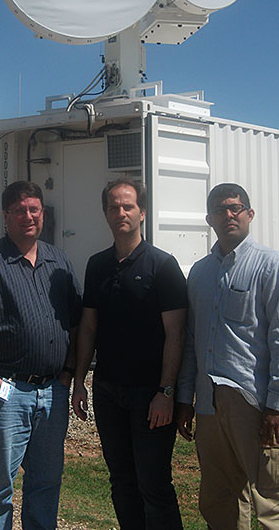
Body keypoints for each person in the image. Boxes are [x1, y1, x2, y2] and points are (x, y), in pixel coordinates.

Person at [0, 180, 82, 530]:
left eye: (34, 210)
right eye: (19, 211)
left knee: (46, 482)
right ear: (5, 216)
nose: (28, 217)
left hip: (53, 392)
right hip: (6, 394)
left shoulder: (59, 261)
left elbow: (75, 323)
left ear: (43, 214)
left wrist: (68, 374)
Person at [176, 182, 279, 529]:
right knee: (219, 498)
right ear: (209, 218)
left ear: (249, 214)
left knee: (272, 498)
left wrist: (278, 403)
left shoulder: (272, 267)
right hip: (210, 406)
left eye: (235, 207)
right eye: (219, 209)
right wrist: (186, 398)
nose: (228, 214)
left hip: (255, 403)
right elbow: (190, 341)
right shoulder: (199, 273)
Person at [72, 178, 188, 529]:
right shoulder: (97, 265)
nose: (120, 212)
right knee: (121, 482)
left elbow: (176, 334)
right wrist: (79, 382)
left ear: (142, 212)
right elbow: (88, 327)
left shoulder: (163, 266)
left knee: (153, 485)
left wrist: (166, 392)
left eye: (127, 206)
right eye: (113, 206)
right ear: (105, 213)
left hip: (150, 396)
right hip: (109, 392)